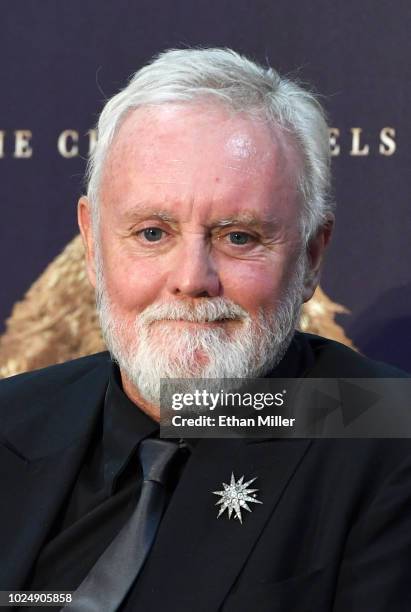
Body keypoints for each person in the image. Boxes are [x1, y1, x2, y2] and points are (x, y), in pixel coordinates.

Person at [0, 48, 410, 611]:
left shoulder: (388, 432)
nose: (192, 280)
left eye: (238, 237)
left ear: (313, 256)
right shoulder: (12, 416)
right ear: (93, 245)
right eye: (151, 233)